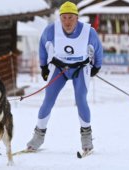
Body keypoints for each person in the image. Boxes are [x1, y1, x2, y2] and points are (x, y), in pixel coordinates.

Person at [26, 1, 103, 153]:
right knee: (48, 99)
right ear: (60, 18)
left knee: (81, 100)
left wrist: (97, 66)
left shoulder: (89, 31)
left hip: (80, 69)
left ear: (77, 17)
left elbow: (98, 49)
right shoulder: (51, 30)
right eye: (64, 18)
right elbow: (42, 46)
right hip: (59, 68)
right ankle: (38, 136)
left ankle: (86, 137)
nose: (67, 22)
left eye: (71, 18)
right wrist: (43, 67)